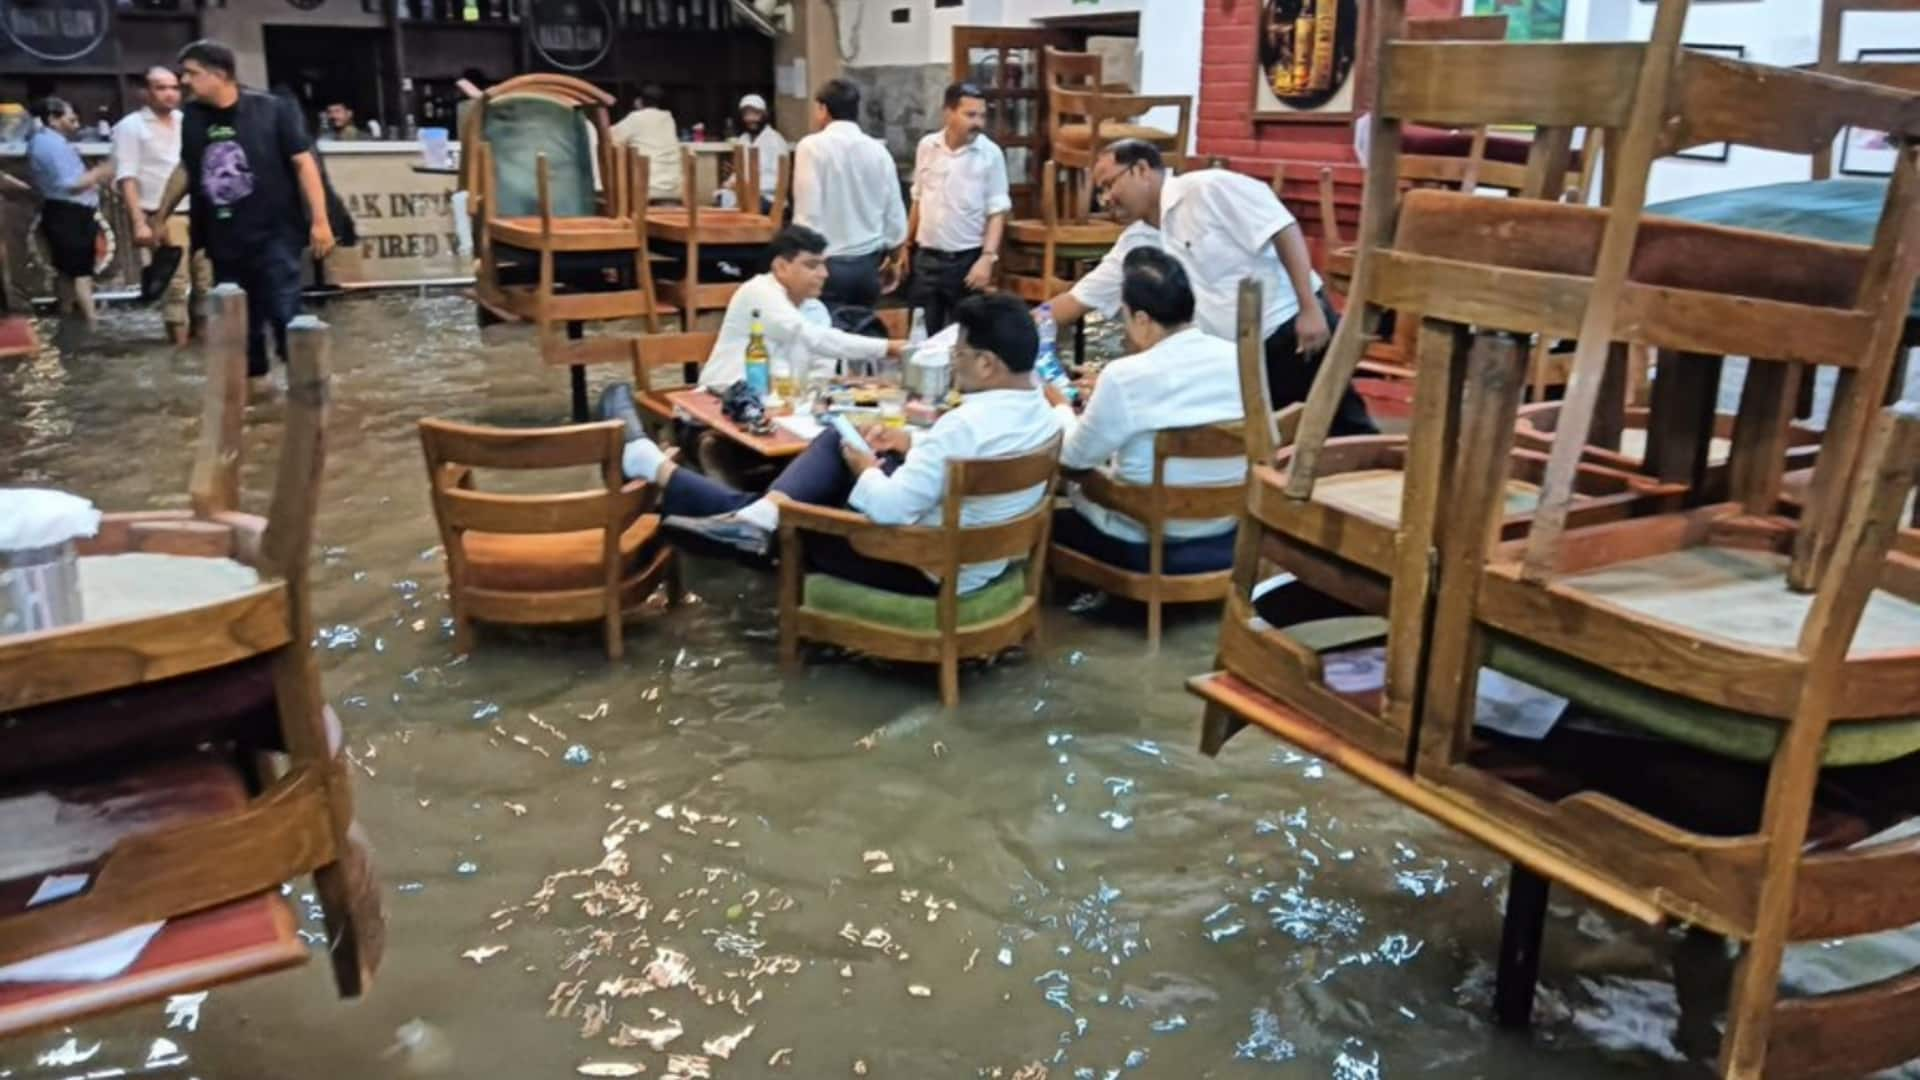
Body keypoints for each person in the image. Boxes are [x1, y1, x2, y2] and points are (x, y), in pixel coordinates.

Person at [603, 293, 1059, 595]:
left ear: (986, 364)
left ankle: (664, 471)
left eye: (958, 355)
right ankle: (751, 514)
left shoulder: (963, 425)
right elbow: (967, 458)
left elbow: (891, 510)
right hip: (979, 560)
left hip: (921, 564)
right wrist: (909, 441)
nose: (953, 366)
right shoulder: (1043, 412)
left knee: (798, 517)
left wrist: (865, 466)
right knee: (835, 439)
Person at [1045, 139, 1375, 436]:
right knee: (1274, 443)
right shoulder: (1136, 242)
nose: (1105, 200)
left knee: (1339, 427)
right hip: (1236, 358)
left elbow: (1283, 228)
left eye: (1108, 185)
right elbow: (1079, 298)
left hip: (1291, 328)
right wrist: (1025, 325)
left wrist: (1309, 307)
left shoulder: (1209, 188)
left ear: (1142, 170)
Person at [1049, 247, 1243, 574]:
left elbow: (1072, 460)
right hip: (1224, 528)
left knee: (1051, 509)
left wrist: (1061, 409)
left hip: (1145, 537)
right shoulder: (1239, 358)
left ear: (1141, 318)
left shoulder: (1125, 376)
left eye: (1124, 317)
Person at [152, 39, 337, 380]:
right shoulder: (193, 117)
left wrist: (321, 222)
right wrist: (161, 215)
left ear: (220, 74)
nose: (185, 82)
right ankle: (255, 400)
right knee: (239, 325)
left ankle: (306, 393)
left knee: (285, 314)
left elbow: (304, 163)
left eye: (191, 73)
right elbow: (187, 168)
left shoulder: (272, 109)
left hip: (275, 232)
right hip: (224, 237)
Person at [693, 224, 906, 390]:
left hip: (779, 409)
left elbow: (822, 368)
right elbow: (809, 337)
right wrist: (888, 347)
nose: (824, 274)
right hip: (722, 399)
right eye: (812, 265)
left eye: (824, 264)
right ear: (781, 267)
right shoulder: (759, 291)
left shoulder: (815, 309)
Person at [901, 82, 1009, 334]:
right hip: (927, 259)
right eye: (970, 115)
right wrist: (906, 245)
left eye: (982, 116)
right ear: (948, 113)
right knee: (921, 335)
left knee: (965, 337)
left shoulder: (990, 154)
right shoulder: (928, 146)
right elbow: (918, 197)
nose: (978, 123)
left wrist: (987, 258)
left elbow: (997, 211)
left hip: (966, 261)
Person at [116, 65, 213, 345]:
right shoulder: (131, 127)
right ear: (145, 92)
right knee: (176, 283)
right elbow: (127, 176)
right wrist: (138, 222)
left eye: (174, 87)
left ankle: (202, 344)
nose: (170, 94)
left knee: (206, 281)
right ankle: (179, 348)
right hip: (161, 213)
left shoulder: (187, 121)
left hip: (198, 209)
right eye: (160, 88)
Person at [792, 78, 907, 311]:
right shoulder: (878, 151)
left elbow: (808, 214)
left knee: (826, 340)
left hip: (827, 266)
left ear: (823, 109)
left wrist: (801, 263)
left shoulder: (811, 147)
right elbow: (894, 213)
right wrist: (895, 258)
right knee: (863, 338)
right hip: (868, 267)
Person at [26, 97, 112, 329]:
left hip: (64, 211)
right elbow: (71, 184)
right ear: (53, 119)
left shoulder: (46, 141)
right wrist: (101, 171)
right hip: (69, 212)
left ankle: (68, 319)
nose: (76, 123)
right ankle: (91, 323)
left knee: (66, 272)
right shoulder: (50, 145)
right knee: (80, 272)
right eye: (70, 118)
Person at [609, 84, 682, 203]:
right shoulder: (668, 118)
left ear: (639, 101)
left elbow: (611, 137)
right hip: (674, 185)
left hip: (648, 185)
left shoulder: (636, 118)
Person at [729, 93, 787, 213]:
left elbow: (777, 180)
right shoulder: (743, 139)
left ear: (764, 115)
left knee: (746, 208)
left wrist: (748, 186)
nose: (751, 119)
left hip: (769, 198)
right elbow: (739, 172)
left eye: (755, 113)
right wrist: (730, 182)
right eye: (747, 114)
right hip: (744, 195)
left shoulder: (776, 140)